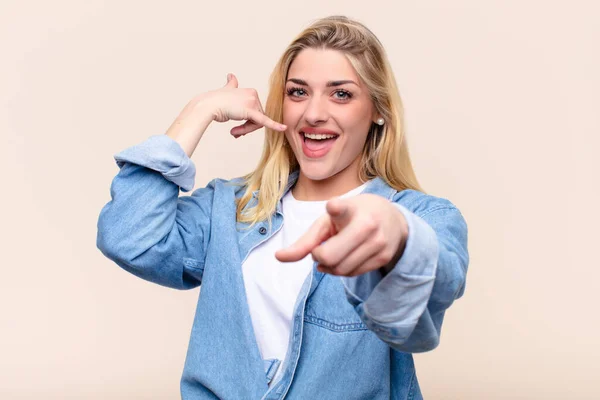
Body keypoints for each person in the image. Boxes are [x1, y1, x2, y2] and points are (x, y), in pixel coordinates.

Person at [96, 15, 469, 400]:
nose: (313, 114)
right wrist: (199, 110)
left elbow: (425, 307)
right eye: (297, 92)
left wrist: (398, 237)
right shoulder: (230, 209)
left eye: (341, 94)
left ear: (378, 110)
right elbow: (128, 237)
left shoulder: (423, 216)